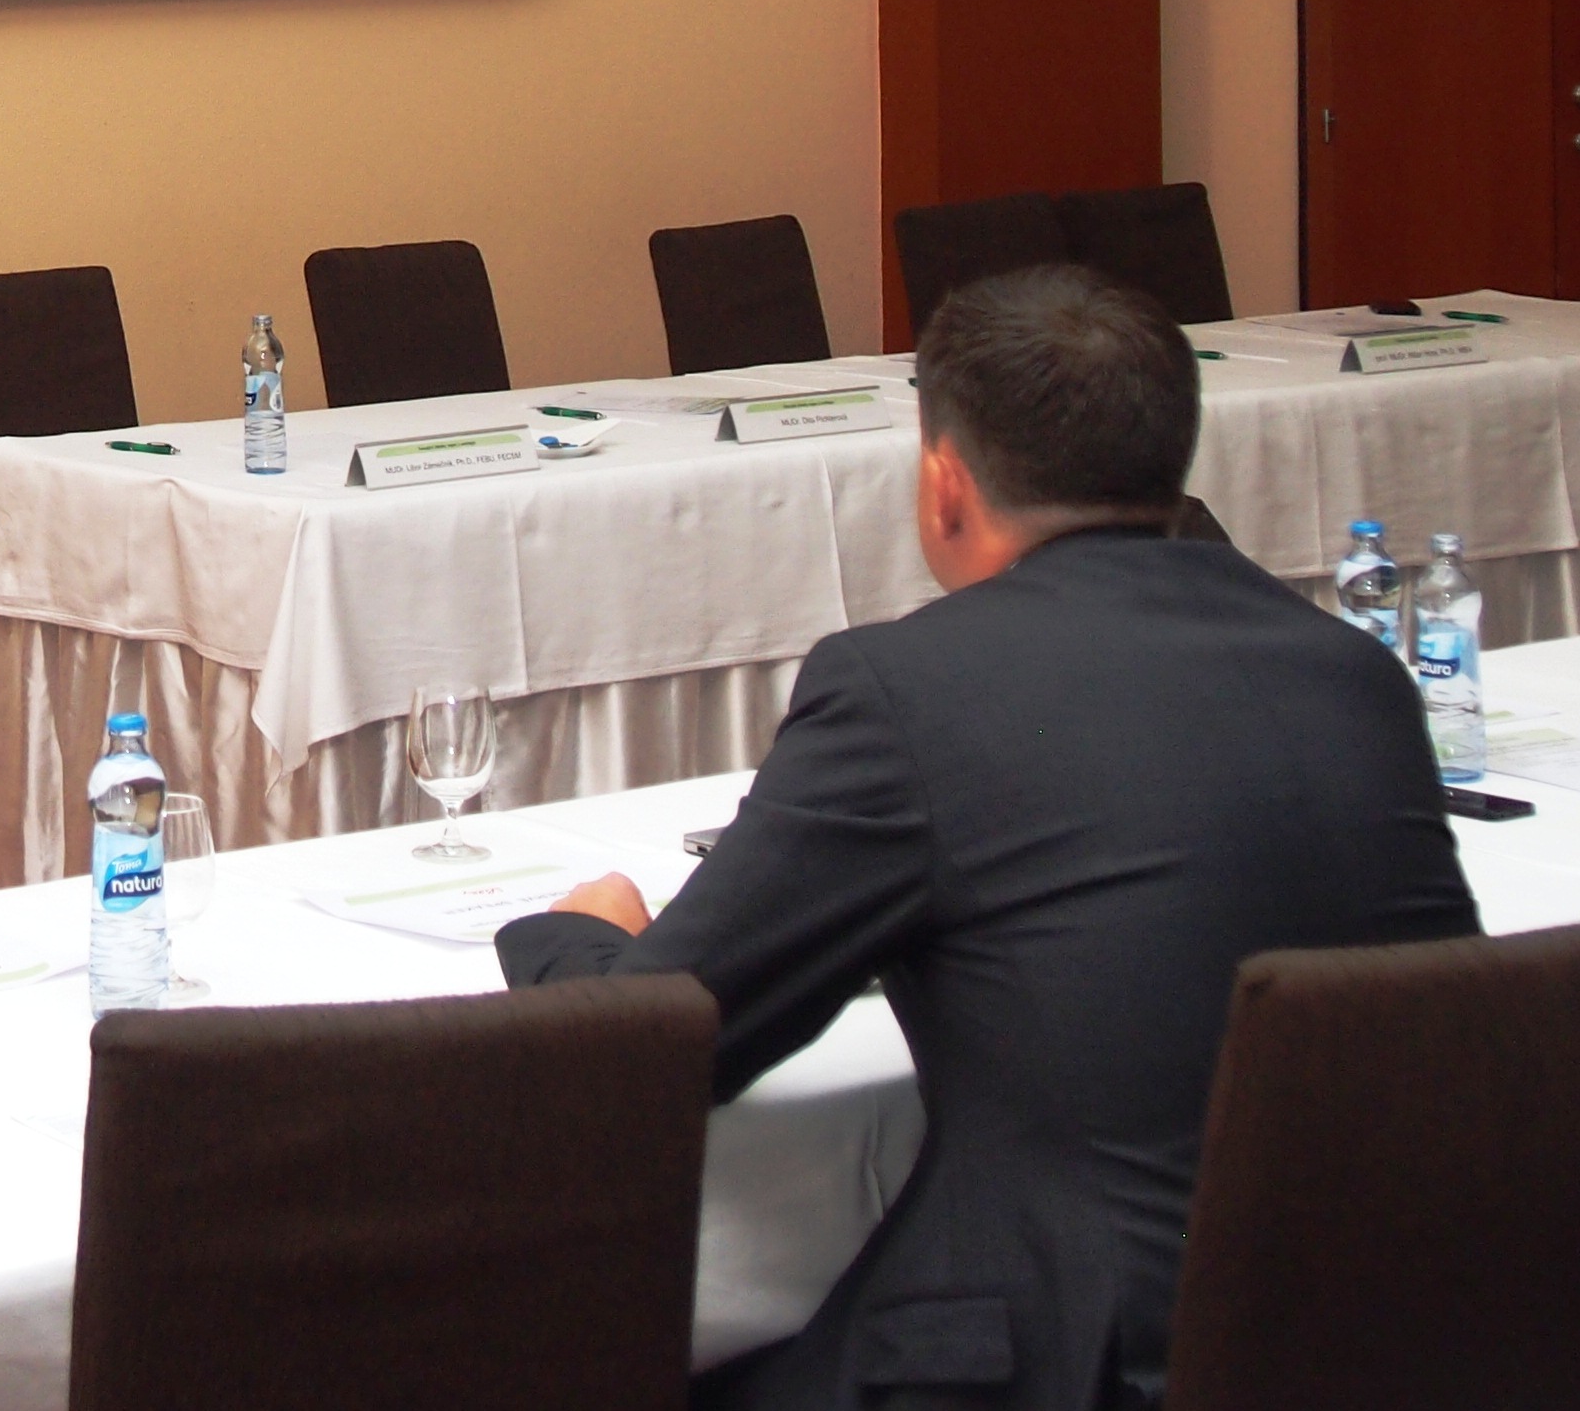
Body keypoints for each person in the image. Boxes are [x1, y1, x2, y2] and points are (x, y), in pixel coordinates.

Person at [499, 263, 1478, 1411]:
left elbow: (657, 1052)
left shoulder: (907, 690)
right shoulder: (1352, 672)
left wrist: (576, 935)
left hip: (1085, 1363)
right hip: (1406, 1343)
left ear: (944, 485)